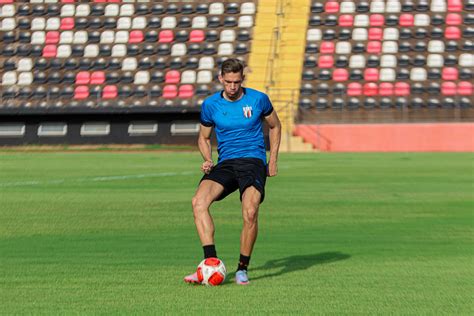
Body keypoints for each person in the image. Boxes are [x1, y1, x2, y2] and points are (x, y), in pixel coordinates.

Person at [184, 58, 281, 285]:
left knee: (249, 212)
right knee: (198, 202)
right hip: (226, 162)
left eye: (237, 82)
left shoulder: (259, 99)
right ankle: (210, 264)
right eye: (228, 82)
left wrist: (273, 159)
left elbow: (276, 126)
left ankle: (242, 269)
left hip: (253, 161)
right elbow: (203, 138)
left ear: (242, 79)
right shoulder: (210, 105)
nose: (233, 86)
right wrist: (207, 159)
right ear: (221, 79)